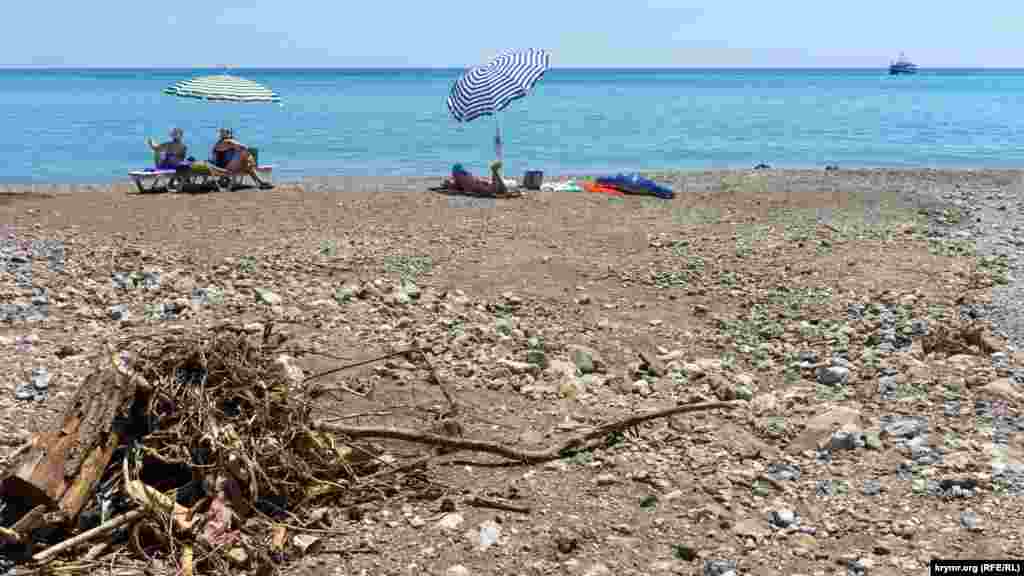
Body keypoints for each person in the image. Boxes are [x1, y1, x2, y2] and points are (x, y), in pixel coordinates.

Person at [449, 161, 516, 197]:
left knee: (493, 190)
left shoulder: (458, 177)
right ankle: (495, 171)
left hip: (477, 188)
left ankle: (494, 171)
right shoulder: (466, 174)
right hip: (478, 184)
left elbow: (455, 186)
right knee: (500, 188)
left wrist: (447, 184)